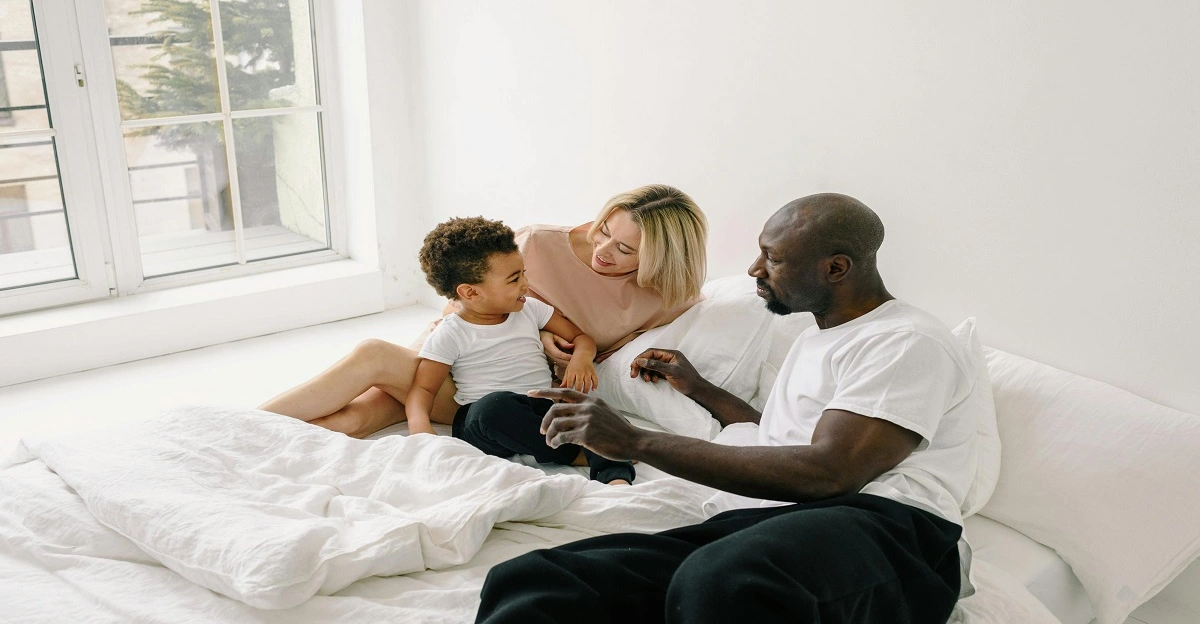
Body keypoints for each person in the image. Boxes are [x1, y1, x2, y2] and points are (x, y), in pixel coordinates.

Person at [475, 193, 985, 624]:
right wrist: (698, 387)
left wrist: (633, 441)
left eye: (773, 257)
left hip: (893, 532)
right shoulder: (817, 340)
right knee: (535, 581)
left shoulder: (904, 341)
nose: (754, 269)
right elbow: (778, 444)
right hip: (781, 520)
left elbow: (831, 471)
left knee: (721, 582)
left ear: (836, 268)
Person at [258, 185, 708, 443]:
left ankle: (238, 427)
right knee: (357, 416)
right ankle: (246, 434)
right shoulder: (536, 242)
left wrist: (559, 347)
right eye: (603, 231)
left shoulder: (667, 298)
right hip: (456, 352)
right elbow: (463, 301)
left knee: (371, 361)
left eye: (625, 249)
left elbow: (611, 357)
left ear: (662, 257)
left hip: (504, 387)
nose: (602, 250)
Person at [403, 216, 633, 484]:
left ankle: (616, 478)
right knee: (495, 408)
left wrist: (582, 357)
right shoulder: (450, 332)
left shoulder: (530, 309)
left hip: (540, 409)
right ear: (471, 292)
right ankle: (574, 454)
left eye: (523, 273)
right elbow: (423, 390)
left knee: (596, 414)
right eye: (514, 280)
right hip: (485, 419)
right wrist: (421, 431)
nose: (525, 284)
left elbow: (581, 337)